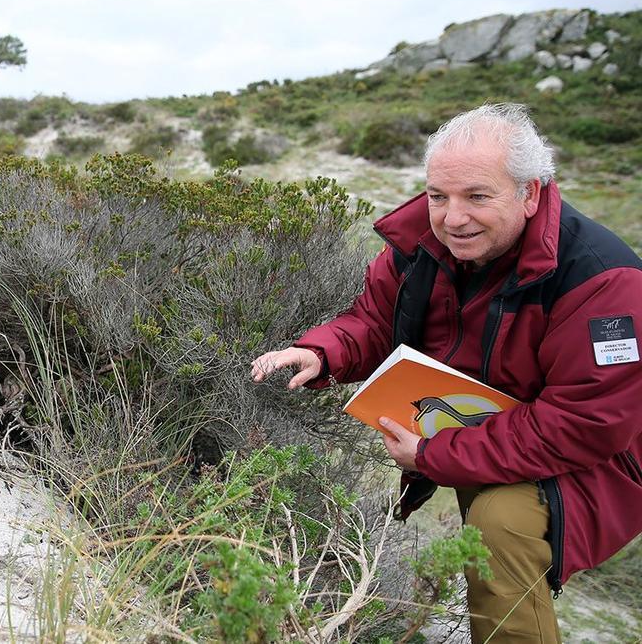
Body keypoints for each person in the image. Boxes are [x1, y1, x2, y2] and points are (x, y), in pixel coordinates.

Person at [251, 103, 642, 642]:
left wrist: (436, 455)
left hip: (598, 458)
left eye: (477, 196)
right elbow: (373, 320)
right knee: (491, 544)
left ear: (530, 194)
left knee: (499, 527)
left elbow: (588, 423)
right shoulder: (424, 249)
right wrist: (321, 353)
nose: (452, 218)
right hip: (485, 429)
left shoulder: (604, 282)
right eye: (438, 196)